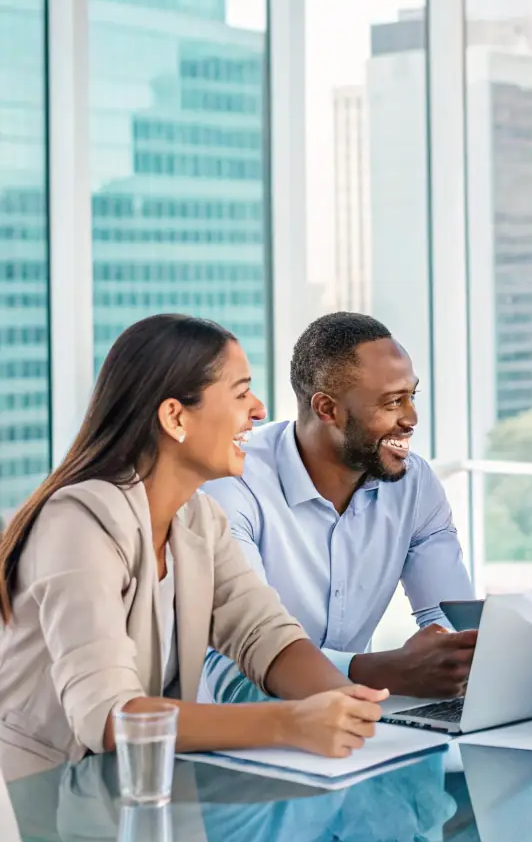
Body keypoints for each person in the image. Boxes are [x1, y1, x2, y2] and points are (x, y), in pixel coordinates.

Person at [0, 314, 386, 781]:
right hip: (31, 811)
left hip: (126, 798)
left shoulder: (199, 520)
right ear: (175, 417)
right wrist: (291, 723)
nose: (260, 409)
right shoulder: (79, 522)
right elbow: (106, 716)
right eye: (241, 392)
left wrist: (345, 702)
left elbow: (264, 635)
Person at [203, 312, 476, 705]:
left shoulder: (414, 484)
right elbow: (238, 666)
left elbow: (453, 623)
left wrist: (451, 659)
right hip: (235, 734)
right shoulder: (233, 482)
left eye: (411, 396)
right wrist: (385, 671)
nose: (411, 419)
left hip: (355, 722)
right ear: (327, 409)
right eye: (392, 402)